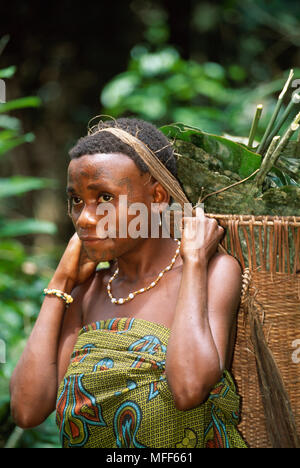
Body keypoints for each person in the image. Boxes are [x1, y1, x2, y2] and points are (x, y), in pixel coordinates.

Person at [10, 117, 247, 448]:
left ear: (158, 196)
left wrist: (194, 262)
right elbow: (26, 410)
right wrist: (60, 284)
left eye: (104, 198)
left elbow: (189, 389)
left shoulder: (213, 273)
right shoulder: (87, 291)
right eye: (76, 200)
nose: (85, 217)